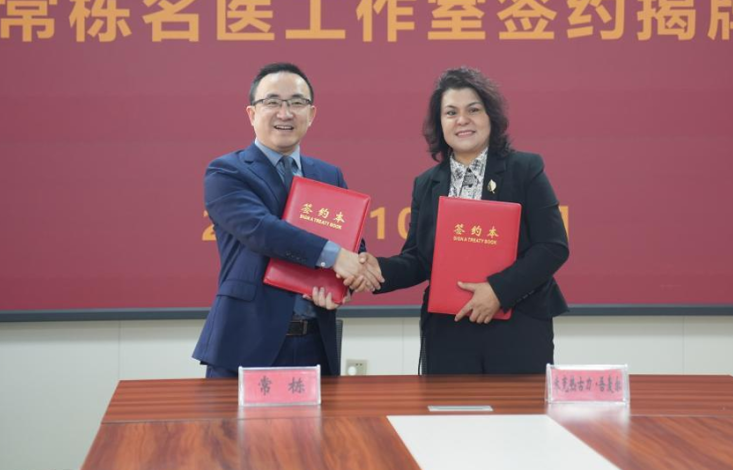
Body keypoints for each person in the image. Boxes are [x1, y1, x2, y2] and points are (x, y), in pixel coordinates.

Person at [365, 66, 569, 374]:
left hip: (518, 324)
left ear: (490, 117)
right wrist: (375, 270)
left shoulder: (525, 169)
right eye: (451, 113)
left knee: (520, 408)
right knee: (449, 407)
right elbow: (419, 259)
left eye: (473, 110)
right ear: (440, 123)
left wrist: (497, 292)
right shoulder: (427, 183)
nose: (462, 120)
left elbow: (552, 246)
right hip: (448, 329)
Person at [193, 62, 381, 378]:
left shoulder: (328, 174)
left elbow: (351, 241)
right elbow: (262, 230)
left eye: (296, 103)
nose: (285, 113)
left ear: (311, 114)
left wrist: (348, 280)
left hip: (315, 341)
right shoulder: (226, 171)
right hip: (246, 341)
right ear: (252, 113)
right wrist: (337, 257)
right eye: (273, 102)